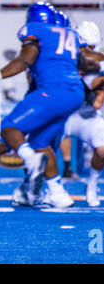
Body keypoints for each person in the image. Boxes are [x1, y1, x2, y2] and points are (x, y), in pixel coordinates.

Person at [0, 3, 97, 208]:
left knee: (9, 128)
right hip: (74, 97)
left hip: (53, 93)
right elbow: (89, 61)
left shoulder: (38, 32)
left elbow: (26, 59)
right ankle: (58, 194)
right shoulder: (70, 37)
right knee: (41, 144)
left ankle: (31, 176)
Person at [62, 21, 104, 206]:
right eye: (84, 47)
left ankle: (92, 185)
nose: (87, 51)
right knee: (39, 146)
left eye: (91, 47)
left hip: (88, 115)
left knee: (103, 149)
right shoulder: (65, 60)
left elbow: (96, 103)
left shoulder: (100, 63)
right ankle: (35, 188)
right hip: (64, 113)